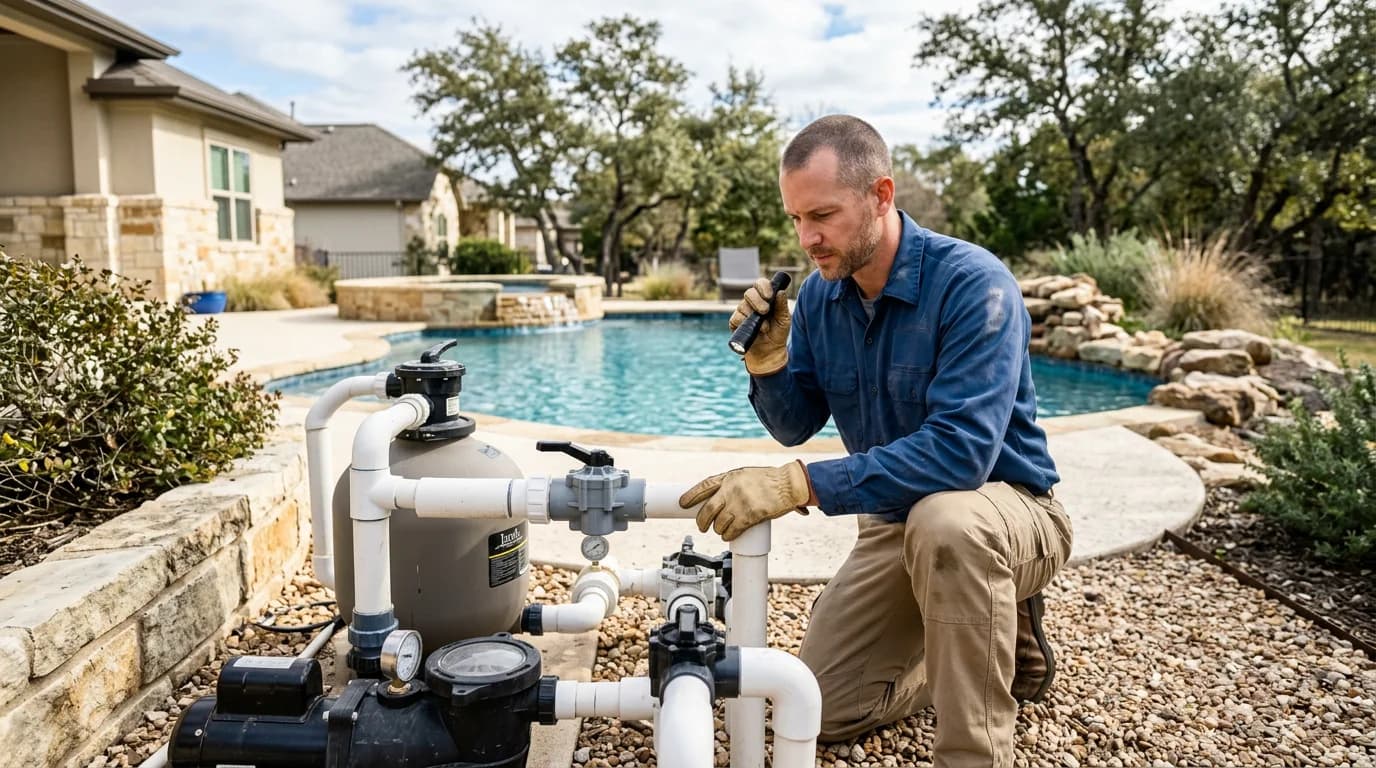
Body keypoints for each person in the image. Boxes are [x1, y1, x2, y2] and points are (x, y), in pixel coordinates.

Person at [678, 115, 1073, 768]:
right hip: (897, 526)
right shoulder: (822, 302)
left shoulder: (974, 285)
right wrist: (768, 362)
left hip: (1004, 509)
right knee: (824, 707)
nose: (808, 239)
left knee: (948, 523)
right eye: (797, 218)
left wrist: (797, 485)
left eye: (823, 216)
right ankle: (978, 644)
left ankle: (974, 750)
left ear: (882, 195)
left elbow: (959, 455)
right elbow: (794, 424)